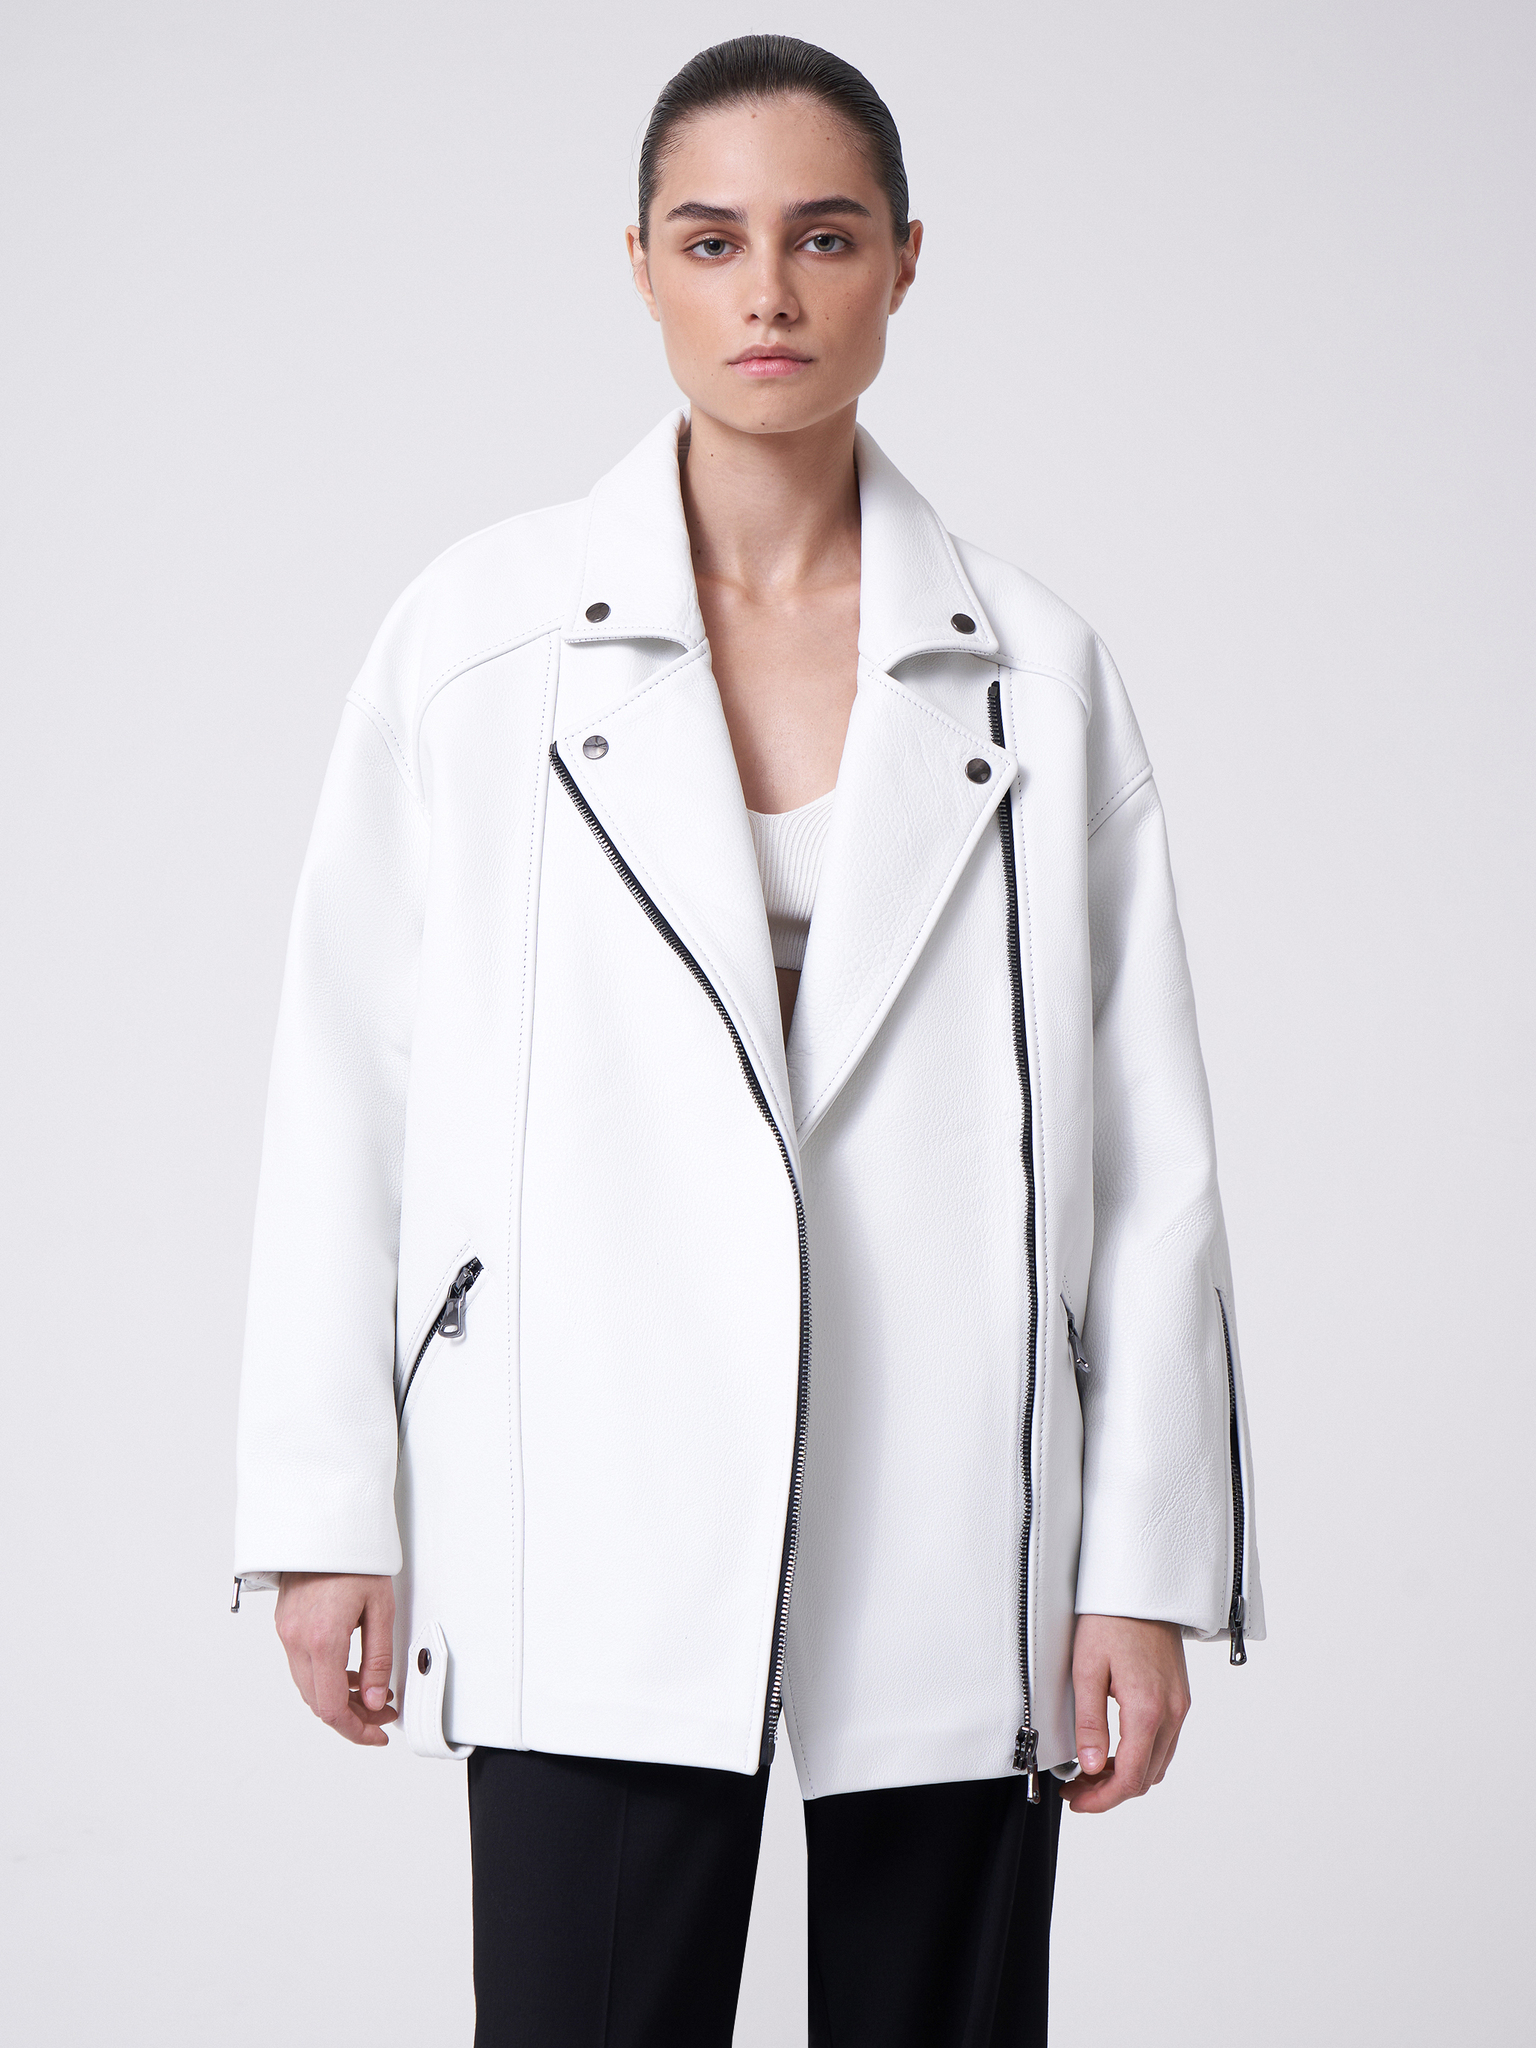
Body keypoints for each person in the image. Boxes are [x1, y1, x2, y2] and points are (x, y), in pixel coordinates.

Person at [232, 33, 1263, 2048]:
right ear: (639, 265)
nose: (768, 293)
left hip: (957, 1497)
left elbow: (1152, 1164)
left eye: (824, 237)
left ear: (905, 262)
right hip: (580, 1482)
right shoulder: (478, 647)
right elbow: (345, 1088)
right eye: (712, 242)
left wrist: (1142, 1564)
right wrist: (324, 1509)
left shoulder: (1038, 679)